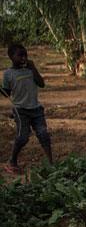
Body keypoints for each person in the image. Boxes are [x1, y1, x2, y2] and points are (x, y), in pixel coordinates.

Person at [2, 43, 52, 173]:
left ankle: (51, 163)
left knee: (43, 134)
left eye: (25, 55)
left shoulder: (30, 70)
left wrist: (34, 68)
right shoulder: (8, 74)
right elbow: (6, 93)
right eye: (20, 55)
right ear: (11, 57)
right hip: (20, 110)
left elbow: (41, 84)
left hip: (36, 109)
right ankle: (12, 161)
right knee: (23, 137)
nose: (24, 58)